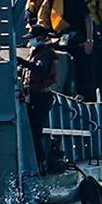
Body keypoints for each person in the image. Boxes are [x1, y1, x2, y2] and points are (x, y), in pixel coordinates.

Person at [34, 0, 96, 99]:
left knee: (83, 75)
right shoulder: (48, 1)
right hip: (60, 43)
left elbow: (87, 17)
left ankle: (87, 101)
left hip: (78, 43)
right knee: (63, 73)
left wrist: (89, 40)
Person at [17, 24, 59, 172]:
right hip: (33, 97)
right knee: (31, 131)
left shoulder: (45, 54)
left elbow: (40, 69)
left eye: (33, 38)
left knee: (36, 132)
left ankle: (40, 165)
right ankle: (36, 163)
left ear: (40, 38)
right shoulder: (36, 51)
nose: (30, 42)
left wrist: (22, 62)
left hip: (42, 98)